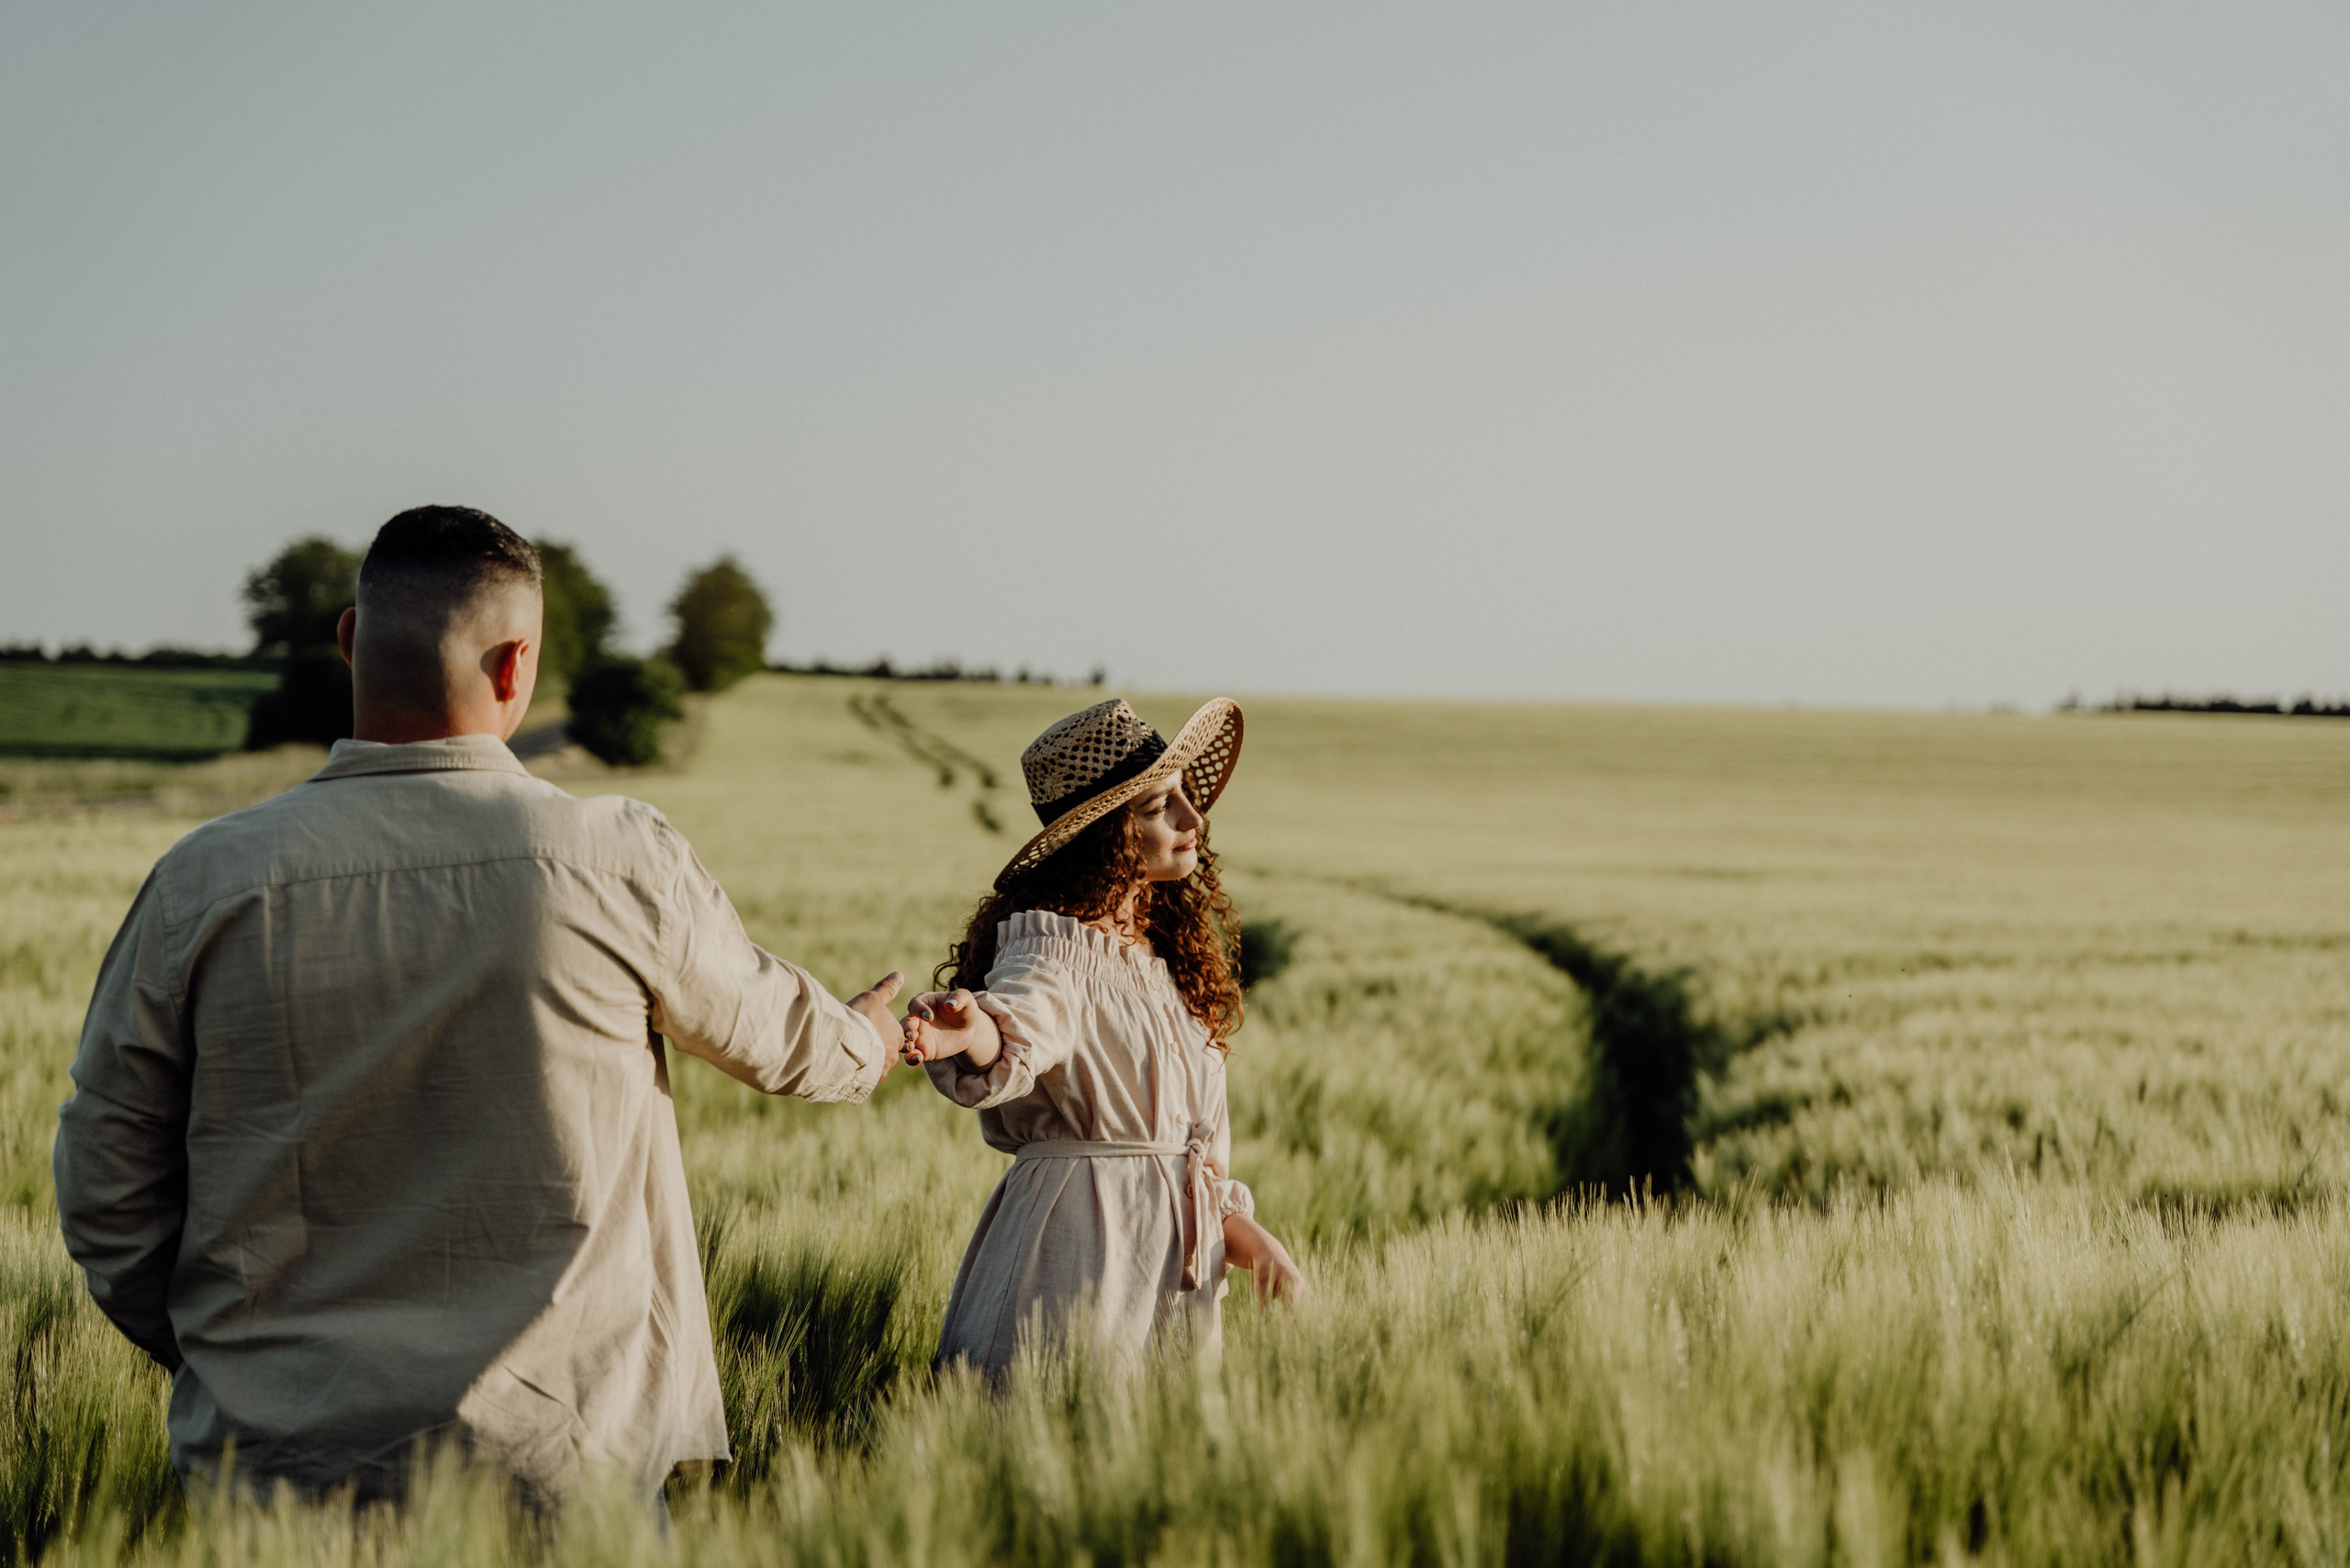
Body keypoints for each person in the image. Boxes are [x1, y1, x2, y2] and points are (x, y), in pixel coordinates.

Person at [53, 507, 904, 1508]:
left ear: (349, 639)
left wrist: (236, 1357)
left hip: (272, 1478)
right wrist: (870, 1038)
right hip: (563, 1470)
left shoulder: (204, 881)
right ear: (516, 666)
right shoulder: (612, 858)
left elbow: (106, 1185)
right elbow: (784, 1046)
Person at [900, 698, 1305, 1375]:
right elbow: (1019, 1026)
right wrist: (972, 1033)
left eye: (1185, 795)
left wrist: (1256, 1244)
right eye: (1159, 807)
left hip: (1175, 1284)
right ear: (1105, 836)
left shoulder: (1166, 964)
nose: (1193, 818)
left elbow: (1182, 1161)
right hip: (1078, 1268)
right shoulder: (1051, 951)